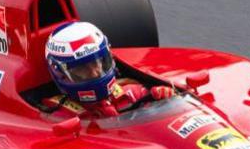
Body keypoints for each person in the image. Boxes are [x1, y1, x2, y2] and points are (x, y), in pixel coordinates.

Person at [42, 21, 174, 117]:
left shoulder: (130, 91)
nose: (95, 72)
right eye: (82, 68)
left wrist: (167, 102)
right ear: (61, 73)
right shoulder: (58, 114)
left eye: (97, 63)